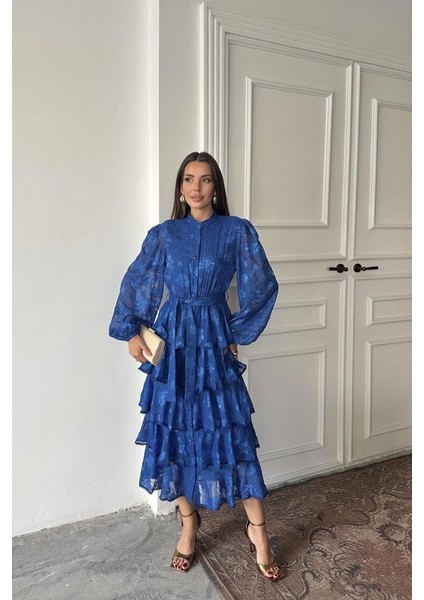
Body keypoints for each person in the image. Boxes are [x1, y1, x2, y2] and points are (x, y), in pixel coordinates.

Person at [109, 151, 281, 581]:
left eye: (205, 180)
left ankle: (258, 532)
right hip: (174, 343)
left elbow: (262, 284)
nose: (196, 188)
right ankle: (189, 523)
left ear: (215, 187)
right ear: (180, 187)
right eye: (188, 179)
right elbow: (139, 281)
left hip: (214, 338)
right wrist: (131, 330)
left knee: (231, 432)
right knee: (173, 431)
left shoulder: (236, 230)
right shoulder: (164, 235)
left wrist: (234, 331)